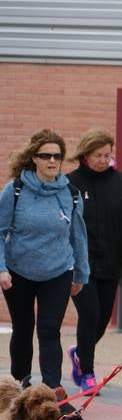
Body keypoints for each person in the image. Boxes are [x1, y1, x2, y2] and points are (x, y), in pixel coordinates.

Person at [0, 129, 88, 394]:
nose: (52, 160)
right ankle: (19, 384)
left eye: (57, 156)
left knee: (49, 329)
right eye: (46, 155)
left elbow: (78, 234)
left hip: (58, 271)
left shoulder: (70, 193)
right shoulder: (15, 190)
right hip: (18, 271)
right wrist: (1, 268)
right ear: (34, 158)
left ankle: (52, 387)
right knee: (23, 328)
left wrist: (81, 273)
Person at [66, 129, 122, 392]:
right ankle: (87, 374)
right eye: (98, 155)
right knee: (89, 315)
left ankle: (80, 353)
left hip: (111, 263)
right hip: (80, 265)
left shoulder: (121, 183)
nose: (104, 160)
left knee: (101, 320)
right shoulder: (69, 184)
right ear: (85, 155)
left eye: (107, 155)